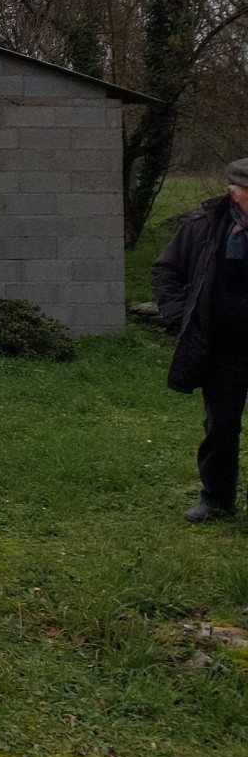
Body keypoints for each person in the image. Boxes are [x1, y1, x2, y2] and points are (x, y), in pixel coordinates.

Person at [152, 159, 248, 522]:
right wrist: (181, 316)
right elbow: (166, 271)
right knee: (221, 427)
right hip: (222, 351)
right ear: (234, 193)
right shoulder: (204, 226)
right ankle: (216, 501)